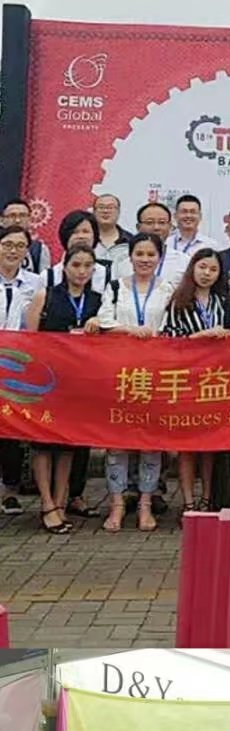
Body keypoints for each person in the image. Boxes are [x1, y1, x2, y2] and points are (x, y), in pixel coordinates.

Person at [87, 232, 175, 532]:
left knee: (151, 441)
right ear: (130, 256)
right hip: (120, 374)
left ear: (159, 258)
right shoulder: (115, 287)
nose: (145, 260)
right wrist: (129, 330)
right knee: (117, 442)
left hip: (155, 375)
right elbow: (103, 320)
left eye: (151, 254)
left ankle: (145, 504)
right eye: (140, 254)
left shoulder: (168, 289)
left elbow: (171, 327)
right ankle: (117, 504)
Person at [25, 244, 103, 533]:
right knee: (43, 444)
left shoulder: (98, 301)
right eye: (76, 265)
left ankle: (60, 501)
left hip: (78, 384)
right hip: (46, 383)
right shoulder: (46, 296)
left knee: (68, 444)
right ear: (64, 266)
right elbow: (30, 340)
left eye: (87, 266)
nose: (81, 271)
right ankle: (46, 503)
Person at [161, 250, 230, 512]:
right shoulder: (178, 302)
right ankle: (188, 501)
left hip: (215, 381)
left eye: (213, 269)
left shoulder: (222, 302)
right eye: (202, 267)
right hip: (187, 380)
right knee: (187, 446)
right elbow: (170, 341)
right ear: (192, 269)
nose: (206, 274)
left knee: (210, 445)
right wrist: (202, 336)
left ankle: (207, 499)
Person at [0, 224, 45, 515]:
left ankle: (10, 490)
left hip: (17, 365)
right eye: (7, 244)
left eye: (19, 246)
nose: (13, 251)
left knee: (11, 428)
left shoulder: (36, 282)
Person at [112, 204, 188, 284]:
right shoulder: (121, 260)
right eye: (149, 222)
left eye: (162, 222)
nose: (156, 227)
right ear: (138, 227)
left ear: (170, 226)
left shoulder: (183, 261)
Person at [48, 211, 111, 293]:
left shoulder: (107, 275)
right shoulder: (49, 276)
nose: (81, 236)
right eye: (75, 232)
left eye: (85, 231)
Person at [2, 198, 50, 274]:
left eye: (22, 216)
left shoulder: (39, 249)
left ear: (30, 219)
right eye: (12, 216)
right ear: (1, 220)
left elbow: (43, 278)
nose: (17, 220)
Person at [92, 193, 134, 271]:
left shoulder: (131, 240)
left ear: (118, 212)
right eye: (101, 207)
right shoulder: (87, 239)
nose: (105, 211)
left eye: (110, 207)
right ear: (94, 212)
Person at [168, 194, 214, 259]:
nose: (188, 215)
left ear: (200, 216)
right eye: (184, 212)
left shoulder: (211, 245)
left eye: (193, 212)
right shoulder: (166, 243)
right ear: (175, 216)